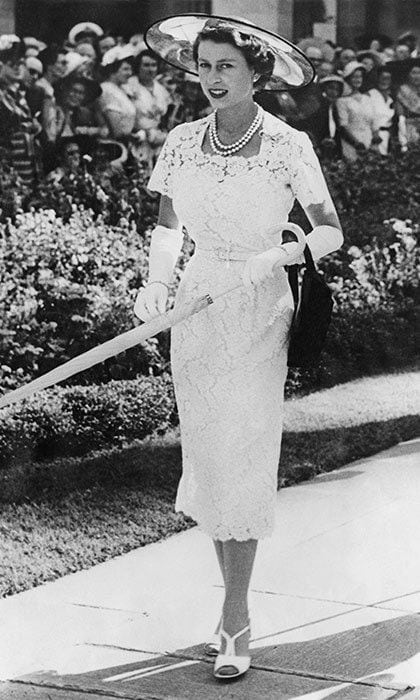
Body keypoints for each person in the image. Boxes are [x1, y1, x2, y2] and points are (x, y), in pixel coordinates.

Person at [134, 15, 343, 681]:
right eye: (205, 66)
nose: (214, 78)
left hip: (259, 310)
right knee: (211, 460)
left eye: (227, 66)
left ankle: (235, 616)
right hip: (197, 310)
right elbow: (168, 230)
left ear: (257, 75)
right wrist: (156, 282)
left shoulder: (287, 144)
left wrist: (281, 252)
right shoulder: (181, 142)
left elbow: (331, 232)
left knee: (246, 455)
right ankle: (232, 607)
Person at [0, 34, 42, 186]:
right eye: (11, 63)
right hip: (8, 169)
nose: (18, 67)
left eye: (21, 62)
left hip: (26, 165)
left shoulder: (18, 94)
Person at [125, 49, 171, 170]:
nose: (150, 69)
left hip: (159, 140)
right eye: (146, 65)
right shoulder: (129, 87)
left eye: (153, 65)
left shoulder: (161, 89)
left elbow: (165, 117)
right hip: (137, 138)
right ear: (138, 67)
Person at [336, 60, 378, 160]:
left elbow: (373, 123)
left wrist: (375, 140)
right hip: (351, 143)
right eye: (354, 77)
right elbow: (343, 127)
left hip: (368, 141)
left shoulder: (367, 99)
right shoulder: (342, 101)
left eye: (359, 76)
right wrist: (357, 144)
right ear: (347, 79)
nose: (357, 80)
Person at [96, 44, 137, 141]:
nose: (130, 73)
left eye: (130, 69)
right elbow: (116, 131)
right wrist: (135, 137)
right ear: (112, 71)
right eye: (125, 69)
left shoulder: (120, 89)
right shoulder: (107, 90)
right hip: (114, 144)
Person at [368, 66, 397, 154]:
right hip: (374, 136)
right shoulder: (370, 95)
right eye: (382, 78)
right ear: (377, 79)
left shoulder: (390, 99)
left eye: (388, 79)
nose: (385, 81)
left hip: (388, 137)